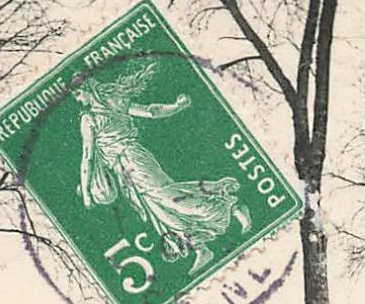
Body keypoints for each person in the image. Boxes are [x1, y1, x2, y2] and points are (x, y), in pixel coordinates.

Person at [75, 60, 250, 271]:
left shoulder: (92, 116)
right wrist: (177, 106)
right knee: (160, 212)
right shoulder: (112, 102)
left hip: (132, 159)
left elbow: (88, 156)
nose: (78, 99)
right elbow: (152, 111)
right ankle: (200, 247)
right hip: (123, 171)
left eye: (78, 94)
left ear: (87, 88)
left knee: (169, 197)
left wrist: (86, 193)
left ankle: (230, 204)